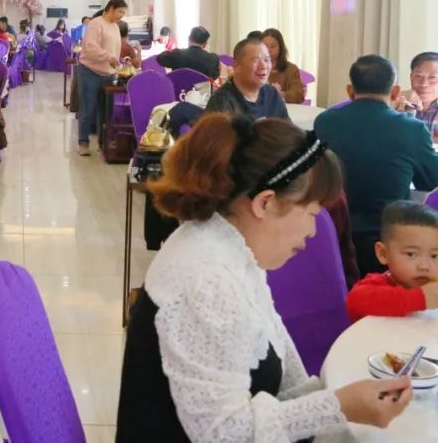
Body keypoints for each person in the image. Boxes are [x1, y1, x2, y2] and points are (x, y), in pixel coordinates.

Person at [117, 113, 411, 442]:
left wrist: (338, 403)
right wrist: (338, 406)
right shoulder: (205, 280)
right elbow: (224, 433)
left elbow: (284, 370)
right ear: (265, 203)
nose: (313, 231)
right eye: (312, 213)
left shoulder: (230, 248)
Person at [314, 55, 438, 275]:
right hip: (389, 242)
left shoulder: (325, 121)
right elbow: (431, 181)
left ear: (350, 91)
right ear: (395, 92)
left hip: (332, 237)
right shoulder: (412, 129)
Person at [345, 201, 438, 323]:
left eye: (434, 256)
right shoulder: (379, 284)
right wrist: (421, 298)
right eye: (411, 254)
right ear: (383, 253)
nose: (424, 266)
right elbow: (354, 300)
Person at [76, 0, 127, 156]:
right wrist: (109, 57)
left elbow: (115, 49)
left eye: (123, 13)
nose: (121, 16)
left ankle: (103, 143)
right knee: (88, 109)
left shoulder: (116, 27)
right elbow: (90, 48)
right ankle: (83, 143)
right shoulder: (96, 24)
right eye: (120, 12)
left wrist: (116, 62)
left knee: (106, 111)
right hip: (90, 71)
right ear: (110, 8)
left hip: (108, 74)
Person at [205, 37, 289, 121]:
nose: (263, 66)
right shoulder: (222, 101)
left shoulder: (272, 95)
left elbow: (287, 128)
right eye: (255, 60)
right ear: (236, 66)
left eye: (266, 60)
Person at [155, 26, 220, 79]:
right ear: (205, 44)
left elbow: (159, 58)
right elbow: (214, 77)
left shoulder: (177, 54)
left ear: (189, 38)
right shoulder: (213, 59)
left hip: (179, 90)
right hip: (202, 91)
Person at [262, 28, 305, 104]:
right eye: (265, 46)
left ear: (280, 48)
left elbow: (298, 95)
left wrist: (280, 95)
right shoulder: (254, 68)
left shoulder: (291, 69)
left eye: (273, 46)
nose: (268, 50)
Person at [400, 51, 438, 138]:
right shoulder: (397, 103)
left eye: (432, 77)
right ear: (411, 77)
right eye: (418, 76)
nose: (424, 84)